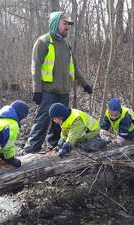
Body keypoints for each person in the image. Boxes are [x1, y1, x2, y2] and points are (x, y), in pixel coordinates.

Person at [24, 11, 93, 154]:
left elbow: (74, 67)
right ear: (55, 24)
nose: (67, 26)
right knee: (42, 121)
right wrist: (37, 90)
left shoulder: (67, 44)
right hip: (48, 91)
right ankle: (30, 151)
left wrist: (85, 84)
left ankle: (55, 147)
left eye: (68, 24)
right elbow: (35, 67)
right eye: (64, 23)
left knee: (60, 123)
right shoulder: (43, 42)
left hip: (63, 92)